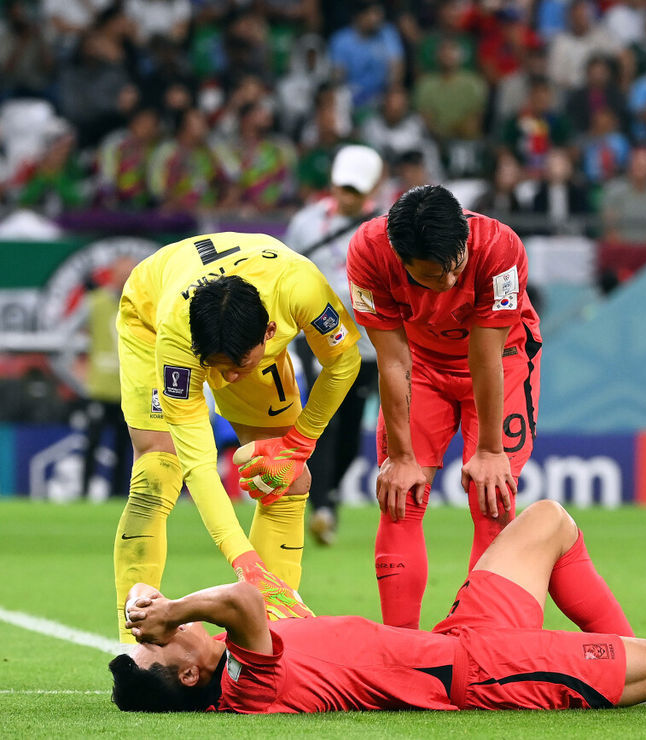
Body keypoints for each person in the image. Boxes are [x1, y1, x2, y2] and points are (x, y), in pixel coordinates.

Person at [109, 500, 646, 714]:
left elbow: (240, 603)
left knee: (546, 520)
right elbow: (242, 599)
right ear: (187, 677)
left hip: (464, 639)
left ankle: (618, 655)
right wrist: (172, 607)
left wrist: (160, 606)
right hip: (482, 675)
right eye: (160, 646)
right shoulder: (248, 688)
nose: (163, 634)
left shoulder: (236, 660)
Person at [113, 232, 362, 642]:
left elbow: (343, 362)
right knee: (158, 471)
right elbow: (199, 464)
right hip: (149, 319)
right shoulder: (178, 331)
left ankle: (275, 636)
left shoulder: (300, 287)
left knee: (288, 478)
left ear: (268, 333)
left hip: (243, 322)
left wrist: (299, 445)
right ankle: (132, 647)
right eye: (218, 367)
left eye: (236, 367)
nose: (226, 379)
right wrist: (244, 561)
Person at [345, 184, 542, 630]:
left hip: (501, 360)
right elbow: (392, 361)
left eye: (455, 267)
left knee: (492, 498)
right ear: (400, 258)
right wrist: (400, 458)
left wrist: (491, 451)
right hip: (419, 364)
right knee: (400, 495)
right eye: (431, 277)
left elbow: (485, 356)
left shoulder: (499, 248)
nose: (449, 283)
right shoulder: (368, 254)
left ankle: (487, 643)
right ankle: (402, 651)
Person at [284, 144, 386, 545]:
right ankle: (322, 505)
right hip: (317, 339)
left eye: (356, 191)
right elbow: (287, 271)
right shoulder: (306, 224)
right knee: (323, 419)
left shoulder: (382, 228)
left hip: (366, 345)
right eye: (343, 188)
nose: (348, 197)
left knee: (349, 431)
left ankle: (330, 494)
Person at [80, 256, 136, 500]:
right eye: (123, 273)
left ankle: (117, 496)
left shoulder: (141, 304)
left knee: (126, 448)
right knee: (91, 444)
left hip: (128, 390)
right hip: (100, 390)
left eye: (130, 273)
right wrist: (77, 375)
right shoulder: (95, 302)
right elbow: (66, 337)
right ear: (112, 274)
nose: (126, 278)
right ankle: (83, 494)